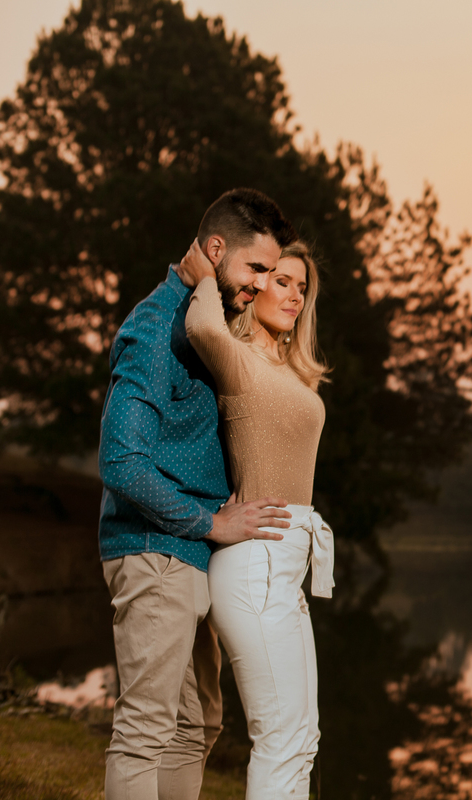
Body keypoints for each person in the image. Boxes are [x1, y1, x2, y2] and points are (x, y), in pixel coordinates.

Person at [98, 188, 298, 800]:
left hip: (186, 555)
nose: (262, 284)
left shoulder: (197, 322)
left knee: (194, 726)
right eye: (255, 268)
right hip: (156, 550)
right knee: (145, 730)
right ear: (215, 250)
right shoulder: (155, 329)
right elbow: (121, 461)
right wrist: (212, 523)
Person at [177, 234, 335, 799]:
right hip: (257, 564)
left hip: (284, 568)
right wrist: (205, 274)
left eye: (301, 287)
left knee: (303, 738)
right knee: (281, 738)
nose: (293, 295)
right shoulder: (239, 359)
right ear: (255, 284)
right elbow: (202, 327)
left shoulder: (289, 371)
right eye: (279, 280)